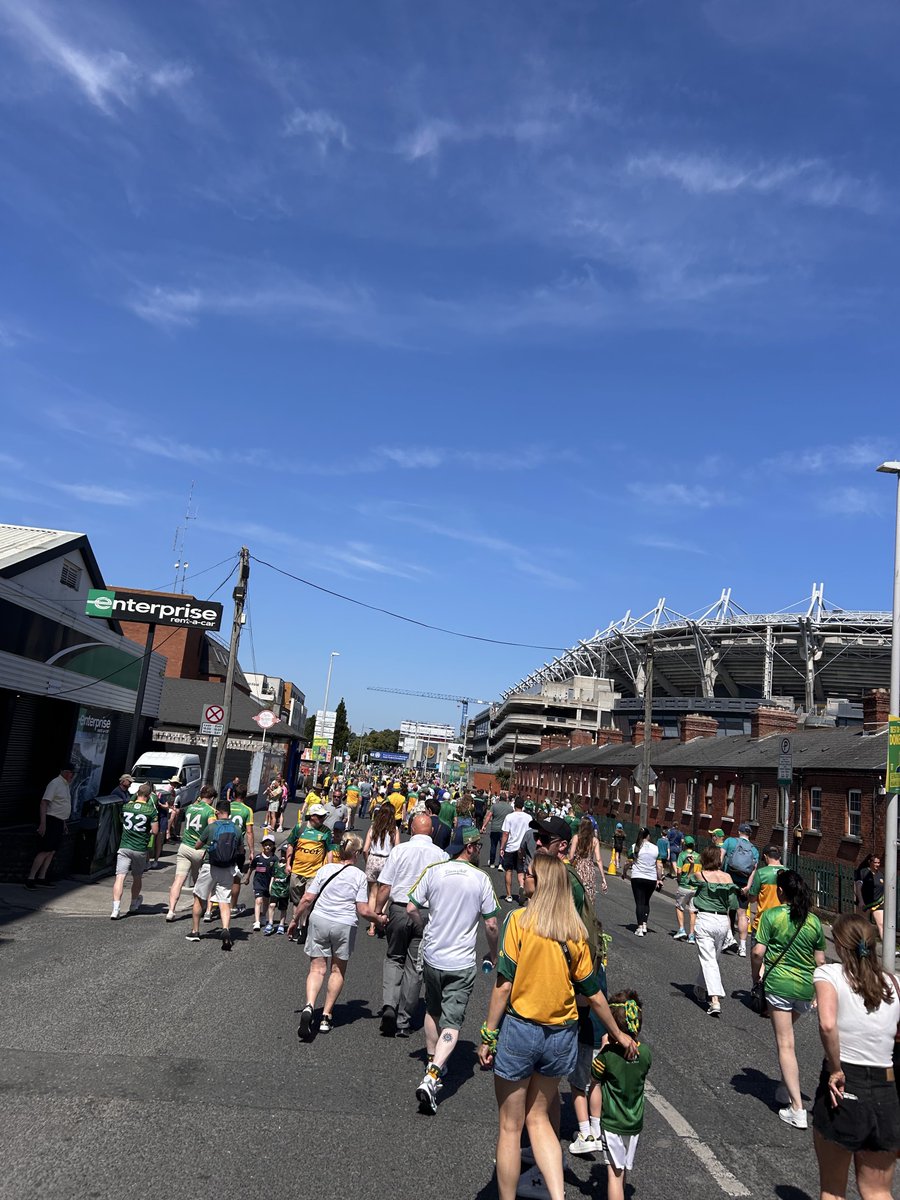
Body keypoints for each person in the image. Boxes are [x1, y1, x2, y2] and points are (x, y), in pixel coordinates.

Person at [477, 855, 638, 1200]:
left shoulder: (518, 920)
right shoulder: (574, 931)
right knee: (539, 1119)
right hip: (561, 1034)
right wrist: (618, 1032)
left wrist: (488, 1035)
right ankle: (558, 1195)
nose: (524, 878)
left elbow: (504, 986)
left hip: (521, 1029)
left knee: (510, 1126)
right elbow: (593, 993)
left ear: (542, 883)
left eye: (529, 874)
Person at [408, 827, 500, 1113]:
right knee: (452, 1022)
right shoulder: (481, 879)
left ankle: (432, 1059)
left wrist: (426, 928)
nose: (480, 850)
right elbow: (491, 924)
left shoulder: (434, 871)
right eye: (478, 845)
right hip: (460, 962)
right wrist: (493, 953)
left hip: (433, 956)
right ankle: (433, 1075)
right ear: (469, 847)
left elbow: (411, 908)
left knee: (433, 1010)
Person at [812, 913, 899, 1199]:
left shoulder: (829, 974)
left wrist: (835, 1068)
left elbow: (827, 1024)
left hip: (846, 1083)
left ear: (838, 944)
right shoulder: (894, 983)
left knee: (833, 1189)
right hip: (886, 1091)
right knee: (878, 1191)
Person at [752, 870, 827, 1128]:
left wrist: (756, 977)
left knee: (785, 1044)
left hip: (779, 985)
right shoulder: (813, 921)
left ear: (781, 891)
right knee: (789, 1039)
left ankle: (797, 1108)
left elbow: (758, 952)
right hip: (805, 988)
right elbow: (820, 961)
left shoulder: (772, 916)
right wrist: (818, 992)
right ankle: (785, 1089)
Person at [296, 834, 386, 1037]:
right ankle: (326, 1016)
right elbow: (363, 910)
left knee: (317, 969)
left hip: (320, 919)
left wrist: (295, 919)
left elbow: (307, 898)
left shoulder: (325, 869)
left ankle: (309, 1005)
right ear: (356, 853)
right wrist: (378, 919)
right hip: (343, 923)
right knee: (337, 970)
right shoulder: (359, 876)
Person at [375, 811, 448, 1038]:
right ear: (432, 831)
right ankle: (404, 1020)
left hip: (399, 908)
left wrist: (378, 912)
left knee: (394, 957)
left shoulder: (400, 850)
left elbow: (385, 886)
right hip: (425, 913)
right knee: (415, 966)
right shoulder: (441, 855)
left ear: (411, 829)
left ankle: (389, 1004)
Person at [592, 991, 652, 1200]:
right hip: (634, 1122)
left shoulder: (607, 1056)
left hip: (612, 1123)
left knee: (614, 1175)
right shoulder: (645, 1054)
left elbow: (594, 1081)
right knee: (623, 1168)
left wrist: (603, 1049)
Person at [685, 846, 740, 1017]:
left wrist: (692, 866)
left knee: (708, 960)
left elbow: (686, 880)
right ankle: (700, 988)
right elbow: (733, 903)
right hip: (722, 921)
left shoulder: (700, 875)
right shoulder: (727, 877)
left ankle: (714, 999)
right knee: (712, 959)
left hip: (705, 919)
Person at [187, 798, 246, 950]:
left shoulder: (212, 827)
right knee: (224, 900)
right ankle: (225, 928)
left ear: (218, 812)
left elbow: (198, 845)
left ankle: (195, 931)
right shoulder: (237, 829)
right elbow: (240, 850)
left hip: (210, 866)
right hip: (227, 868)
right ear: (229, 813)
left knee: (199, 897)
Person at [284, 803, 334, 943]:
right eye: (320, 816)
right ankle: (295, 925)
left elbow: (329, 851)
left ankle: (303, 928)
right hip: (297, 871)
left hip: (314, 873)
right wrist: (288, 864)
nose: (323, 818)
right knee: (297, 902)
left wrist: (329, 868)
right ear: (312, 816)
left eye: (324, 816)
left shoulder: (326, 831)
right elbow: (290, 845)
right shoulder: (300, 828)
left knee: (307, 901)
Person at [166, 784, 216, 921]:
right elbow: (212, 829)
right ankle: (203, 909)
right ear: (212, 798)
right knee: (203, 881)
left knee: (178, 880)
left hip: (184, 847)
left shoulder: (190, 808)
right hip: (200, 850)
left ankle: (171, 910)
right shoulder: (210, 811)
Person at [110, 782, 158, 919]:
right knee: (137, 876)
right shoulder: (150, 810)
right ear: (148, 796)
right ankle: (133, 903)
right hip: (139, 847)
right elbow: (155, 831)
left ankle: (116, 909)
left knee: (120, 877)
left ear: (137, 793)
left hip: (124, 845)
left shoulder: (126, 806)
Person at [26, 765, 74, 889]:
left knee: (52, 851)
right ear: (63, 772)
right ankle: (31, 878)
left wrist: (63, 823)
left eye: (72, 773)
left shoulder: (65, 785)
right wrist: (43, 823)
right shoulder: (55, 783)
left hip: (59, 821)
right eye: (69, 772)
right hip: (51, 820)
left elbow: (61, 805)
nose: (71, 775)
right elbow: (44, 802)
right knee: (45, 850)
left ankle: (42, 877)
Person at [721, 823, 759, 957]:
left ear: (739, 832)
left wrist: (719, 875)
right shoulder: (754, 850)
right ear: (750, 835)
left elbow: (720, 857)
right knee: (742, 914)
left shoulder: (730, 841)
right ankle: (742, 947)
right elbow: (753, 870)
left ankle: (729, 937)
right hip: (743, 885)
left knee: (725, 910)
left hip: (729, 881)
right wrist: (748, 886)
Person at [363, 804, 399, 936]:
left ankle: (372, 926)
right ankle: (380, 920)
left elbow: (365, 849)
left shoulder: (373, 827)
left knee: (373, 894)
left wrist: (368, 861)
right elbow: (397, 849)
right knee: (384, 893)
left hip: (373, 859)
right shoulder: (394, 830)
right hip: (386, 861)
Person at [499, 796, 532, 904]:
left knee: (508, 870)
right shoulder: (528, 818)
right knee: (520, 871)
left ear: (514, 805)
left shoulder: (509, 817)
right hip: (521, 848)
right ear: (523, 806)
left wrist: (502, 847)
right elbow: (529, 833)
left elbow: (505, 833)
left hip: (510, 847)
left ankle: (509, 895)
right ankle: (521, 887)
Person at [629, 827, 662, 936]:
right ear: (648, 836)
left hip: (637, 877)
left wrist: (624, 872)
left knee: (639, 902)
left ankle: (639, 928)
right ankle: (644, 924)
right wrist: (659, 878)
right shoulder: (655, 848)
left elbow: (628, 862)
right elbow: (659, 865)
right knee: (646, 901)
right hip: (651, 878)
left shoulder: (634, 847)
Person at [568, 817, 608, 906]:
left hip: (577, 868)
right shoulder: (594, 841)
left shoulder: (576, 838)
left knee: (575, 893)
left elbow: (570, 857)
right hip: (589, 870)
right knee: (588, 896)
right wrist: (603, 878)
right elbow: (598, 860)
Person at [747, 845, 783, 936]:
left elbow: (752, 899)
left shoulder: (761, 873)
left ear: (765, 856)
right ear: (779, 857)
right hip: (782, 923)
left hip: (762, 922)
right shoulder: (789, 873)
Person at [244, 832, 277, 931]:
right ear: (262, 845)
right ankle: (257, 921)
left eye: (270, 845)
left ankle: (263, 915)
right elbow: (251, 868)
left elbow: (276, 873)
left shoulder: (275, 859)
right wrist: (247, 878)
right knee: (258, 900)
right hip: (258, 882)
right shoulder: (258, 858)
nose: (267, 847)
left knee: (266, 901)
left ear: (273, 846)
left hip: (269, 883)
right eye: (266, 845)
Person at [672, 835, 700, 942]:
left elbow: (679, 871)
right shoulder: (699, 856)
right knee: (693, 911)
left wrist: (679, 880)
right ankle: (691, 935)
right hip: (695, 887)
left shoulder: (682, 855)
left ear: (684, 845)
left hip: (684, 885)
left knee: (679, 907)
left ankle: (681, 929)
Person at [483, 791, 514, 870]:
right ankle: (501, 863)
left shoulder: (494, 806)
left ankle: (492, 862)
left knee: (493, 846)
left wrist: (484, 825)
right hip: (504, 830)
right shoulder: (510, 808)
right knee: (502, 847)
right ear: (506, 799)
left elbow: (489, 816)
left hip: (494, 828)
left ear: (499, 798)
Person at [857, 854, 885, 940]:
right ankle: (861, 944)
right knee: (863, 925)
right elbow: (858, 887)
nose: (877, 864)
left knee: (881, 924)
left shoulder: (881, 875)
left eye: (878, 863)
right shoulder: (863, 872)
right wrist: (861, 901)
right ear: (870, 862)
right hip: (865, 903)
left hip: (878, 903)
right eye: (875, 862)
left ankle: (886, 946)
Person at [267, 844, 291, 934]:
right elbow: (273, 876)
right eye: (282, 852)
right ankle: (270, 923)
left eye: (285, 853)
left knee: (283, 908)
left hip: (284, 890)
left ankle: (281, 924)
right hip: (275, 888)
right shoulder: (276, 864)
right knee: (272, 905)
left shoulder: (290, 866)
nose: (283, 854)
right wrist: (270, 886)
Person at [447, 793, 476, 858]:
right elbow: (473, 814)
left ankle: (456, 853)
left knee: (458, 836)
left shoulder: (459, 805)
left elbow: (456, 813)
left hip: (460, 820)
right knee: (467, 838)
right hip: (468, 820)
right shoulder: (471, 807)